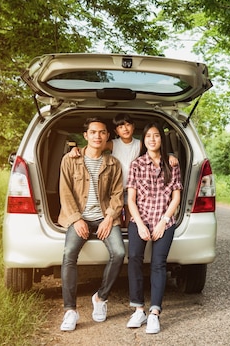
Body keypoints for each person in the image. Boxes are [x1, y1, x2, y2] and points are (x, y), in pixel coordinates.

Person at [58, 117, 126, 331]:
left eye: (102, 132)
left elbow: (117, 194)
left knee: (119, 252)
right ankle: (70, 310)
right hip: (78, 217)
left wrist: (108, 218)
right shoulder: (69, 160)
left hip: (105, 217)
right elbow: (65, 192)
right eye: (93, 132)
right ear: (85, 135)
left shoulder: (113, 163)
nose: (98, 136)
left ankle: (101, 297)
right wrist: (76, 219)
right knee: (69, 253)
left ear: (107, 137)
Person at [125, 122, 182, 334]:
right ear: (144, 140)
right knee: (134, 259)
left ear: (161, 139)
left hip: (164, 220)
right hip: (140, 219)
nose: (152, 139)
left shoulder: (172, 164)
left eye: (156, 136)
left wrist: (163, 222)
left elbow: (176, 197)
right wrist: (140, 224)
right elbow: (131, 199)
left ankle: (154, 313)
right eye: (148, 136)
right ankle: (138, 309)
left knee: (158, 264)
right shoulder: (136, 164)